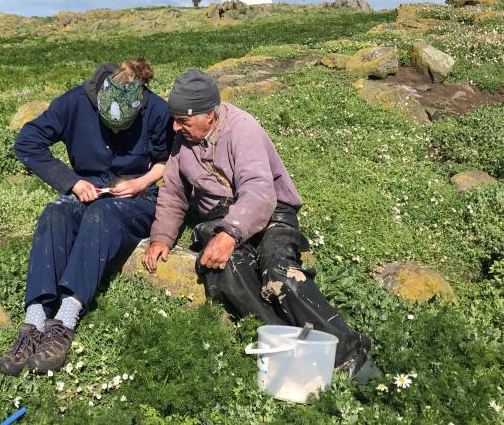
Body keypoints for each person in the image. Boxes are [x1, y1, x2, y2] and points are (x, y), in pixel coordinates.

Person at [142, 69, 371, 378]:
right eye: (175, 118)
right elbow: (172, 191)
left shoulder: (242, 129)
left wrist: (230, 234)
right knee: (228, 272)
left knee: (279, 273)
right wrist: (162, 237)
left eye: (182, 120)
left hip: (271, 212)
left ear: (208, 115)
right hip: (220, 218)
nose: (175, 126)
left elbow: (259, 192)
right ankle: (289, 351)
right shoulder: (182, 141)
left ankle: (350, 355)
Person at [0, 58, 171, 375]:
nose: (117, 131)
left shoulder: (156, 109)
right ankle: (34, 320)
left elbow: (166, 161)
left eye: (124, 126)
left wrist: (140, 182)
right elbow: (28, 141)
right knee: (56, 212)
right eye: (110, 124)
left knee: (102, 214)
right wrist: (72, 183)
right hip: (87, 190)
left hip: (138, 196)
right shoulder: (75, 101)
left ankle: (64, 320)